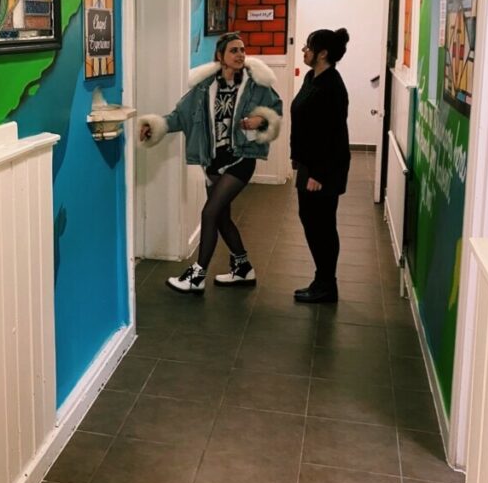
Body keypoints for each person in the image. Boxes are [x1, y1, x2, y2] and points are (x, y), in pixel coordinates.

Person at [138, 32, 282, 293]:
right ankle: (242, 268)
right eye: (234, 51)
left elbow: (276, 110)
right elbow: (179, 117)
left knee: (209, 212)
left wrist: (261, 120)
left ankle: (197, 274)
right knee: (222, 217)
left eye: (242, 49)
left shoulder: (256, 85)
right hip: (213, 161)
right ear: (220, 56)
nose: (240, 55)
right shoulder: (204, 87)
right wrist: (153, 127)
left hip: (242, 157)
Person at [290, 27, 351, 303]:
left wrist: (318, 174)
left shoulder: (332, 86)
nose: (304, 51)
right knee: (310, 220)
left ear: (323, 53)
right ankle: (322, 279)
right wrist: (298, 157)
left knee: (322, 225)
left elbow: (331, 134)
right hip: (309, 164)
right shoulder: (312, 77)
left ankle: (327, 284)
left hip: (323, 169)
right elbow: (304, 122)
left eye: (308, 47)